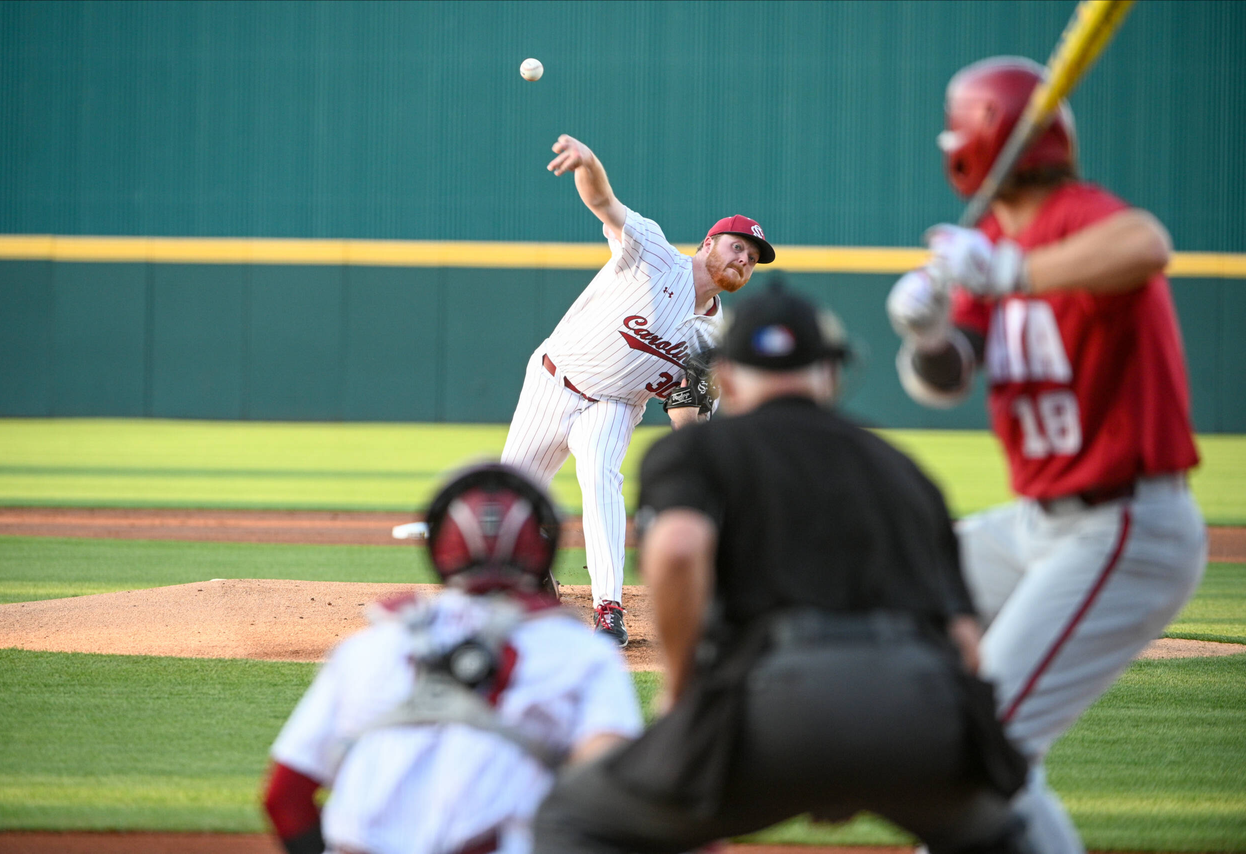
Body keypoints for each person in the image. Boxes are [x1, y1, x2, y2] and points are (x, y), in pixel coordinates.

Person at [532, 280, 1032, 854]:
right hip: (912, 711)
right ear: (831, 374)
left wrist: (680, 689)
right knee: (1003, 836)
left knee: (573, 816)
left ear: (728, 377)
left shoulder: (698, 450)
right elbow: (966, 641)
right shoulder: (900, 469)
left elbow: (676, 549)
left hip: (772, 709)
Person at [886, 56, 1207, 854]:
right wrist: (927, 338)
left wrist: (1011, 272)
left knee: (981, 750)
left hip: (1123, 523)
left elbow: (1146, 244)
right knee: (898, 591)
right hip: (1038, 524)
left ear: (984, 141)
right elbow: (952, 375)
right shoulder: (990, 237)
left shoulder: (1075, 219)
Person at [263, 463, 643, 854]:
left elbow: (284, 799)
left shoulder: (370, 646)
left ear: (439, 549)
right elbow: (619, 797)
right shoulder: (581, 653)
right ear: (542, 552)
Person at [500, 133, 775, 647]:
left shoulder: (715, 338)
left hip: (614, 405)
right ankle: (530, 573)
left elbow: (685, 425)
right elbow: (603, 202)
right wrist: (588, 162)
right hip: (553, 378)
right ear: (709, 243)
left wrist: (693, 414)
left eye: (753, 259)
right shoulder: (653, 252)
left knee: (601, 480)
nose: (744, 260)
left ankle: (609, 608)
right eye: (738, 246)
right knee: (507, 499)